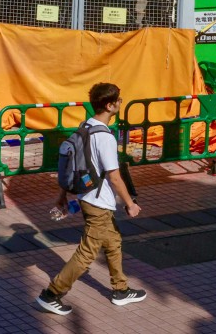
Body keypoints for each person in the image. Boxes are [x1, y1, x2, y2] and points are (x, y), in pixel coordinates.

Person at [36, 82, 147, 316]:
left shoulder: (85, 126)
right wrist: (130, 204)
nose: (121, 102)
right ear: (109, 105)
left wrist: (62, 195)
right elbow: (114, 176)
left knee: (113, 241)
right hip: (99, 203)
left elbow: (72, 165)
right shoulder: (105, 137)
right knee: (86, 253)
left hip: (87, 196)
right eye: (118, 100)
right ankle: (51, 294)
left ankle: (120, 290)